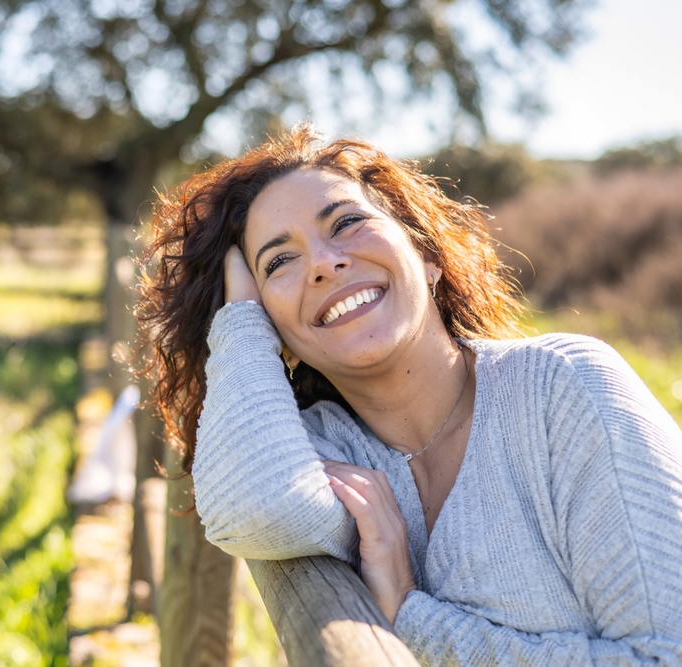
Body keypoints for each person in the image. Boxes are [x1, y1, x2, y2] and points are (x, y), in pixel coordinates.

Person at [134, 124, 682, 665]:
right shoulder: (323, 448)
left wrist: (409, 615)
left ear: (426, 256)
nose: (325, 264)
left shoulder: (561, 388)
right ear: (277, 335)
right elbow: (251, 508)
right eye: (279, 261)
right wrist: (243, 322)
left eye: (346, 223)